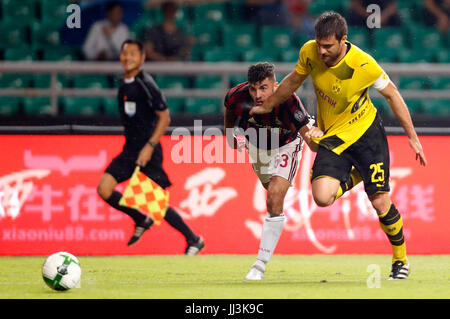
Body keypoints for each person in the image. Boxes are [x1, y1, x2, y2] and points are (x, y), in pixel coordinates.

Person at [250, 12, 428, 280]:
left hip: (366, 134)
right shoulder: (309, 52)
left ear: (344, 40)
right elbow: (293, 81)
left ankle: (400, 260)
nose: (321, 51)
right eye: (319, 44)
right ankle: (358, 175)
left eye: (328, 46)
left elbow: (392, 94)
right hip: (333, 136)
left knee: (380, 201)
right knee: (321, 198)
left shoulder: (363, 64)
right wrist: (269, 103)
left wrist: (412, 136)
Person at [97, 39, 204, 255]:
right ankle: (140, 219)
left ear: (142, 58)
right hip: (130, 149)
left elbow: (165, 117)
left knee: (155, 202)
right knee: (104, 189)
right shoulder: (124, 83)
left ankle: (194, 240)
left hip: (148, 149)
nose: (128, 58)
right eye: (125, 53)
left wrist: (150, 146)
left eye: (133, 54)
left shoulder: (146, 83)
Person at [224, 62, 323, 280]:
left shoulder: (289, 101)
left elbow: (308, 136)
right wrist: (230, 135)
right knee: (271, 192)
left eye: (263, 88)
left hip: (287, 144)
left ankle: (259, 265)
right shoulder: (236, 96)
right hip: (256, 146)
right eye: (253, 88)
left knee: (274, 197)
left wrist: (319, 141)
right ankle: (281, 197)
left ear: (275, 85)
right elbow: (230, 111)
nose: (257, 94)